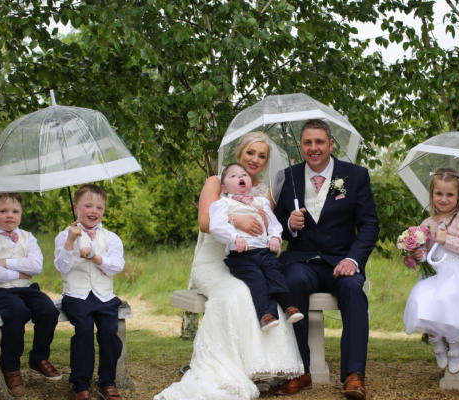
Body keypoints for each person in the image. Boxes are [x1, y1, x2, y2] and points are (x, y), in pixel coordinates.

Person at [155, 131, 303, 400]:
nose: (255, 159)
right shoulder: (216, 181)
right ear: (239, 152)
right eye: (250, 153)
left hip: (246, 258)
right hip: (213, 261)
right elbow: (204, 222)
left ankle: (260, 367)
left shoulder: (264, 191)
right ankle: (224, 367)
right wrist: (238, 221)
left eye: (262, 156)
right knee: (234, 294)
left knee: (262, 289)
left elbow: (266, 226)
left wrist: (272, 235)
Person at [273, 119, 379, 400]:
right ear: (301, 146)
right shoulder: (288, 177)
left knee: (353, 291)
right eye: (307, 142)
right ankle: (300, 370)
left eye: (319, 142)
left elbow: (369, 225)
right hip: (302, 261)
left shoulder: (354, 175)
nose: (313, 148)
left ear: (331, 144)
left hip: (341, 261)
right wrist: (289, 224)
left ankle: (354, 375)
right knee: (292, 282)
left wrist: (354, 261)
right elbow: (273, 226)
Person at [0, 193, 62, 397]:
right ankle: (10, 366)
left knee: (48, 310)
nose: (9, 215)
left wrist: (6, 262)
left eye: (15, 211)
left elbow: (36, 266)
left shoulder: (28, 237)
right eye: (3, 211)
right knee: (16, 311)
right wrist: (21, 271)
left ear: (21, 214)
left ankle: (38, 357)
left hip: (25, 288)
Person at [402, 168, 459, 374]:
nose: (444, 199)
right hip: (436, 272)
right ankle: (437, 341)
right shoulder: (428, 223)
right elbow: (426, 255)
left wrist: (448, 239)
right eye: (439, 194)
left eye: (450, 195)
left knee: (450, 297)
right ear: (432, 195)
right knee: (421, 298)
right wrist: (417, 255)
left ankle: (455, 346)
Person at [210, 163, 304, 331]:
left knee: (275, 272)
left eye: (244, 175)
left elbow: (274, 224)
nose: (240, 177)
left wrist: (274, 236)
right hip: (241, 255)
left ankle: (288, 306)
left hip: (264, 251)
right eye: (233, 176)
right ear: (224, 187)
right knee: (257, 279)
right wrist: (234, 236)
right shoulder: (223, 204)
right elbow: (216, 226)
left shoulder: (261, 202)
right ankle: (266, 315)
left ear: (250, 183)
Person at [54, 184, 126, 400]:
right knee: (84, 331)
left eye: (99, 207)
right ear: (76, 207)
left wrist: (95, 257)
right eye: (88, 206)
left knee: (109, 333)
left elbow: (116, 265)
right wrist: (70, 241)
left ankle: (107, 381)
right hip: (77, 296)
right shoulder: (65, 236)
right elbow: (62, 267)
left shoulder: (111, 237)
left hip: (104, 296)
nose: (94, 211)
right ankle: (80, 384)